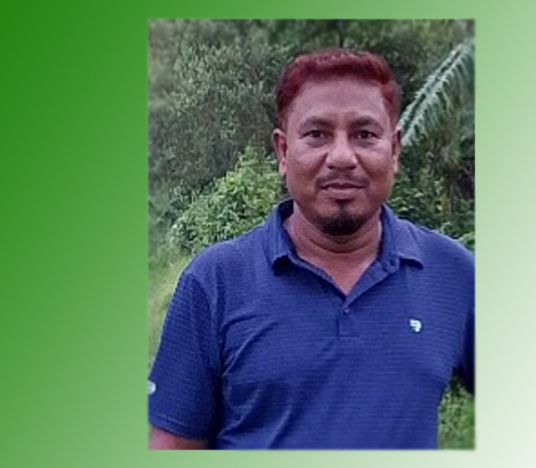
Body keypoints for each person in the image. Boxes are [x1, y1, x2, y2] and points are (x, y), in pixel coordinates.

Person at [148, 49, 475, 450]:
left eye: (364, 134)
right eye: (317, 134)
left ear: (394, 151)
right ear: (284, 152)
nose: (342, 157)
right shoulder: (214, 282)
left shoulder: (453, 273)